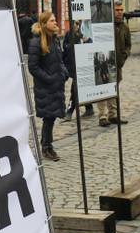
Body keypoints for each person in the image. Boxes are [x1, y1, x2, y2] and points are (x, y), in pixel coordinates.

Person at [28, 11, 68, 161]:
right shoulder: (36, 42)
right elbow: (33, 67)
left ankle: (46, 144)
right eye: (52, 20)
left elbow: (60, 60)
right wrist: (50, 79)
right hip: (45, 87)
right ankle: (46, 148)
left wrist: (64, 73)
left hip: (56, 85)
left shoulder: (55, 39)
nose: (56, 22)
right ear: (44, 24)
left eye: (55, 19)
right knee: (48, 117)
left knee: (51, 117)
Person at [98, 1, 131, 127]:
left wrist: (124, 56)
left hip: (118, 64)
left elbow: (128, 45)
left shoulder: (125, 27)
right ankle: (102, 116)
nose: (120, 12)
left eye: (121, 9)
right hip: (105, 62)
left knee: (114, 88)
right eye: (117, 10)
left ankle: (113, 115)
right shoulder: (105, 25)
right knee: (102, 88)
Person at [63, 21, 93, 119]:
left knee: (75, 89)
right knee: (79, 87)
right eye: (73, 23)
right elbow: (65, 47)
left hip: (83, 64)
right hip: (73, 65)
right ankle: (89, 108)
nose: (75, 25)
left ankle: (70, 111)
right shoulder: (68, 34)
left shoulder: (83, 34)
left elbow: (89, 45)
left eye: (76, 23)